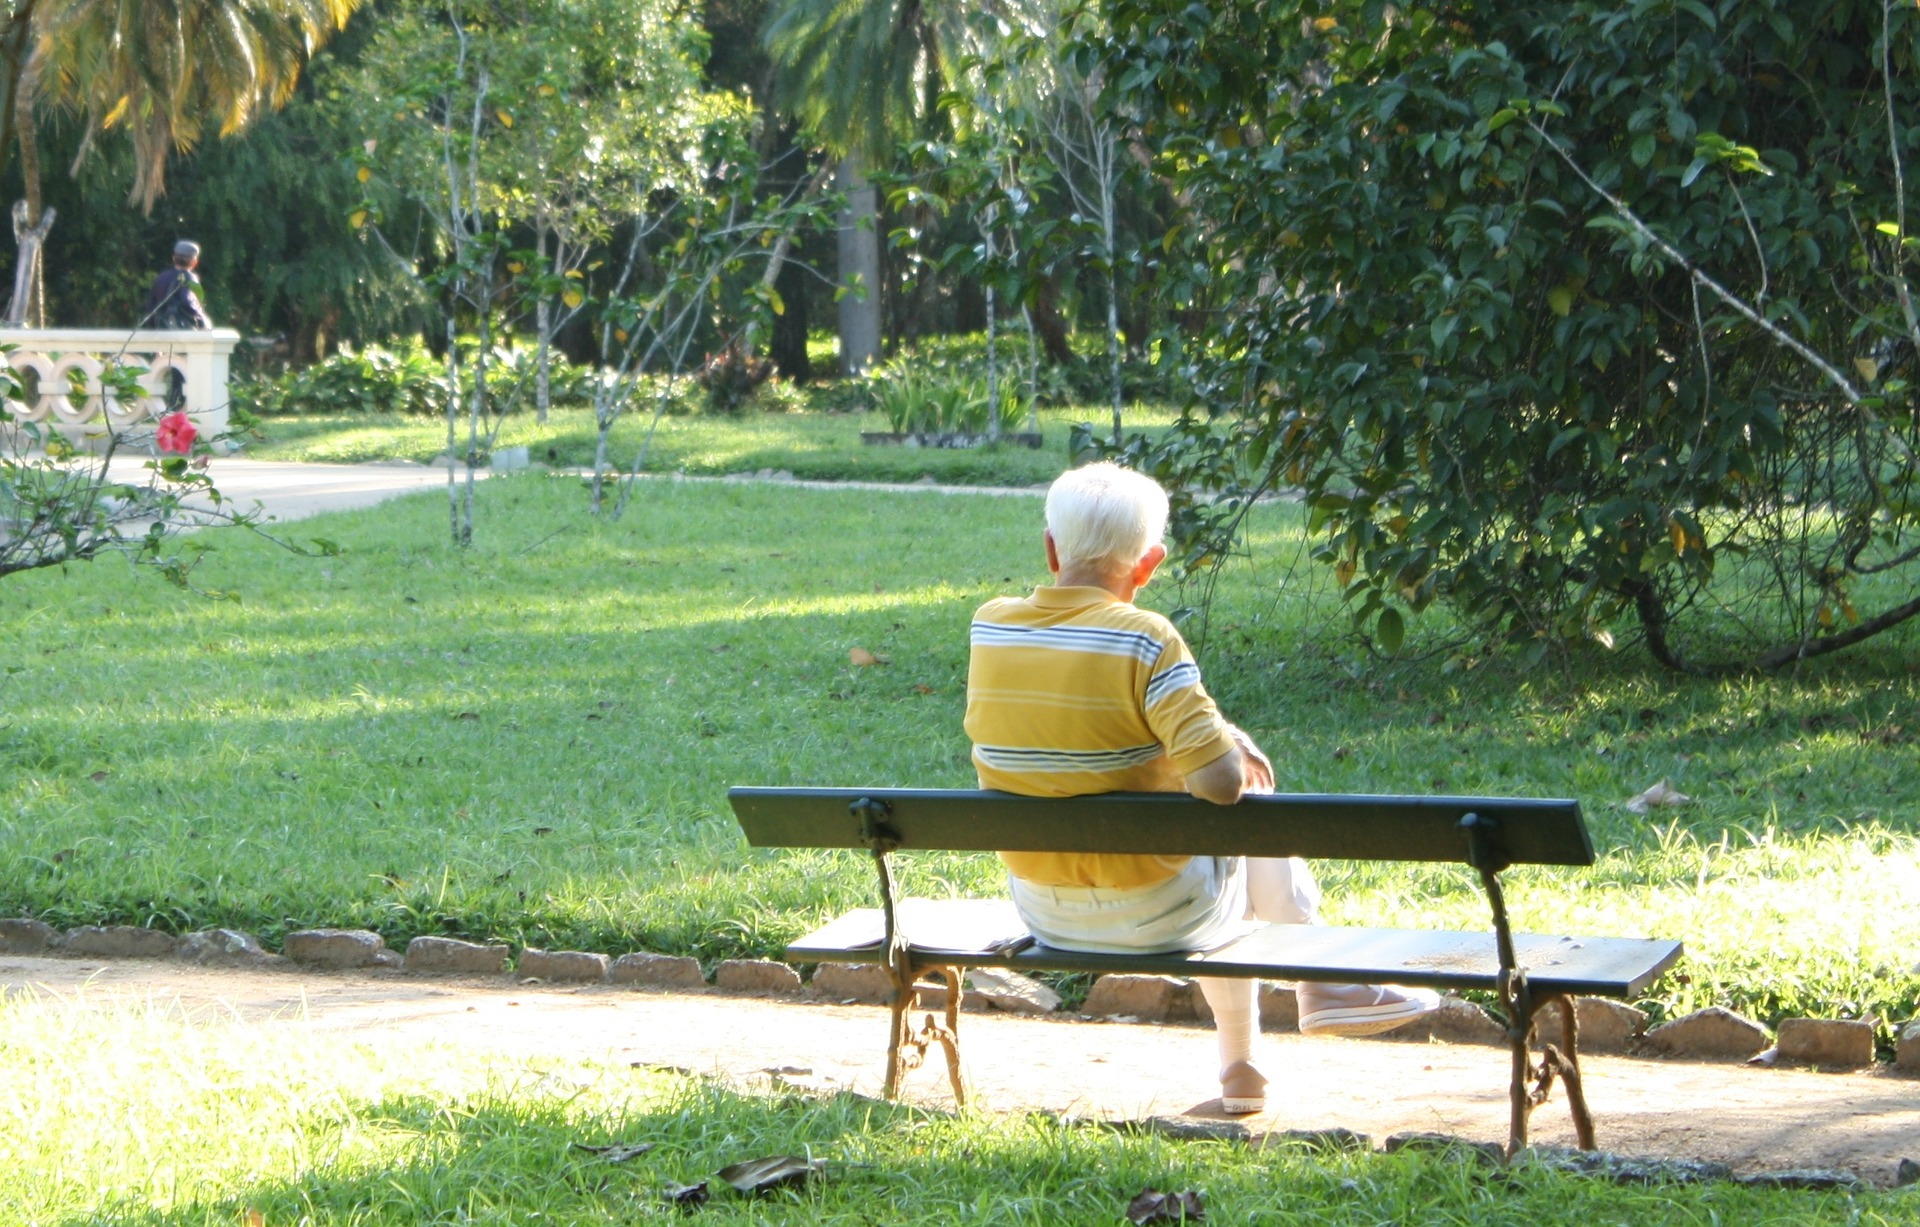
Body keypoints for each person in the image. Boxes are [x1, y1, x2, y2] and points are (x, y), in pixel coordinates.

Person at [964, 461, 1441, 1115]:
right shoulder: (1147, 637)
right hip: (1161, 911)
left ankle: (1254, 1062)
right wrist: (1222, 743)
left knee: (1217, 854)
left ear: (1051, 548)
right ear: (1149, 564)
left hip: (1044, 910)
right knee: (1243, 820)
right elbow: (1220, 784)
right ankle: (1320, 983)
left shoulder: (991, 625)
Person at [143, 240, 213, 331]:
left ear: (173, 258)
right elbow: (188, 302)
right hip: (183, 333)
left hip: (161, 331)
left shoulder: (161, 278)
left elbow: (151, 306)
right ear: (194, 262)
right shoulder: (191, 278)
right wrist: (203, 322)